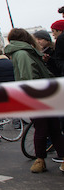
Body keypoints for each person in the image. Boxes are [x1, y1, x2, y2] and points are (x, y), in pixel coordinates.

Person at [4, 28, 64, 173]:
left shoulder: (25, 53)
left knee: (49, 128)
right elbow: (28, 77)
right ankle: (41, 159)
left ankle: (44, 159)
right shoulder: (24, 53)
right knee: (45, 128)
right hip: (39, 96)